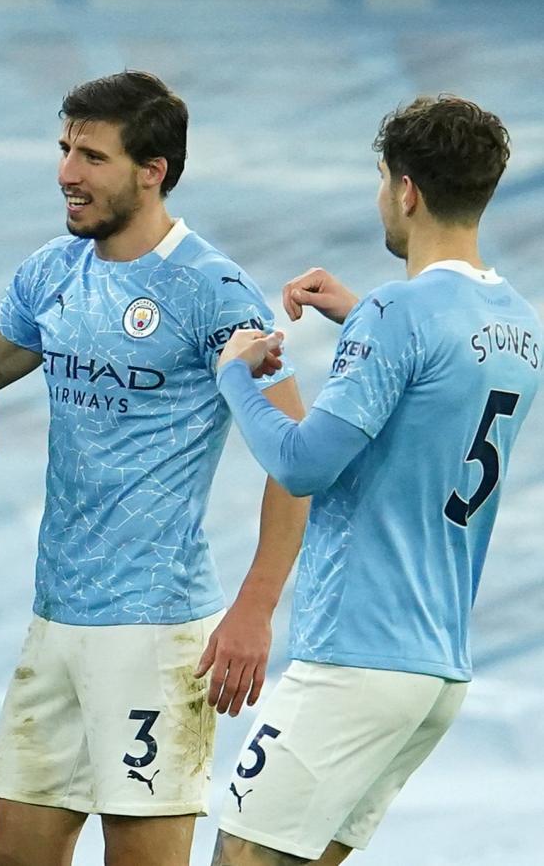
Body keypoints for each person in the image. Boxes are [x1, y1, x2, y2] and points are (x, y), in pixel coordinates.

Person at [0, 71, 308, 866]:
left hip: (156, 634)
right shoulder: (55, 271)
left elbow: (296, 459)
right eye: (64, 149)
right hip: (55, 624)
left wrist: (255, 609)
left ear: (152, 169)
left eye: (91, 156)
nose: (66, 173)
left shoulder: (214, 291)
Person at [209, 96, 539, 864]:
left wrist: (235, 378)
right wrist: (360, 317)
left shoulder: (400, 312)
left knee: (243, 854)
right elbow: (444, 389)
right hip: (435, 669)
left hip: (356, 655)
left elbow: (302, 464)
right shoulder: (519, 322)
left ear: (407, 190)